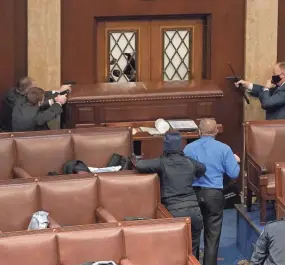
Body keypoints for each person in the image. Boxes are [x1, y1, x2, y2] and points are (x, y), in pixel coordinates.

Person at [132, 131, 205, 259]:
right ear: (180, 146)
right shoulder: (190, 162)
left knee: (174, 251)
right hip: (194, 212)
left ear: (165, 146)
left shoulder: (162, 163)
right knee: (192, 252)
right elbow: (202, 168)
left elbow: (140, 165)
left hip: (173, 212)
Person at [183, 118, 240, 265]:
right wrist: (236, 161)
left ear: (199, 132)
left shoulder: (188, 149)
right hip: (214, 195)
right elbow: (233, 174)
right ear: (216, 131)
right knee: (212, 237)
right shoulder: (224, 149)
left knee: (193, 236)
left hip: (193, 195)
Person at [0, 76, 71, 131]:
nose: (37, 88)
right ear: (28, 92)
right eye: (35, 87)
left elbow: (38, 96)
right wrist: (59, 102)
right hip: (27, 136)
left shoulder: (18, 96)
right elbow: (48, 114)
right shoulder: (31, 114)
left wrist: (57, 92)